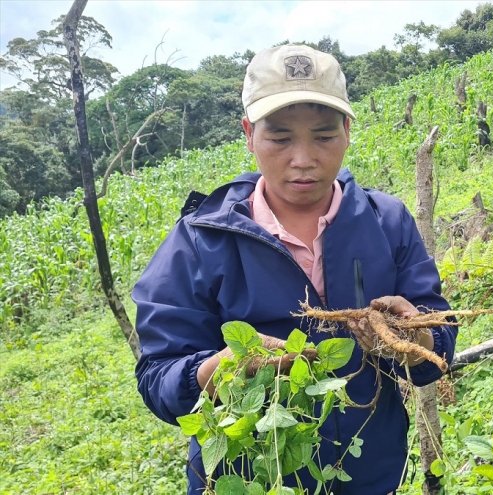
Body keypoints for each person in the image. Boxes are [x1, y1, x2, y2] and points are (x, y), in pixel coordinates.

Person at [132, 44, 457, 495]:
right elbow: (157, 380)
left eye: (323, 136)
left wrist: (416, 341)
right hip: (251, 480)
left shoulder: (387, 221)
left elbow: (438, 339)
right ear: (248, 133)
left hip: (372, 474)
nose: (303, 158)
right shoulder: (199, 241)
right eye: (280, 138)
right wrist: (219, 371)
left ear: (347, 130)